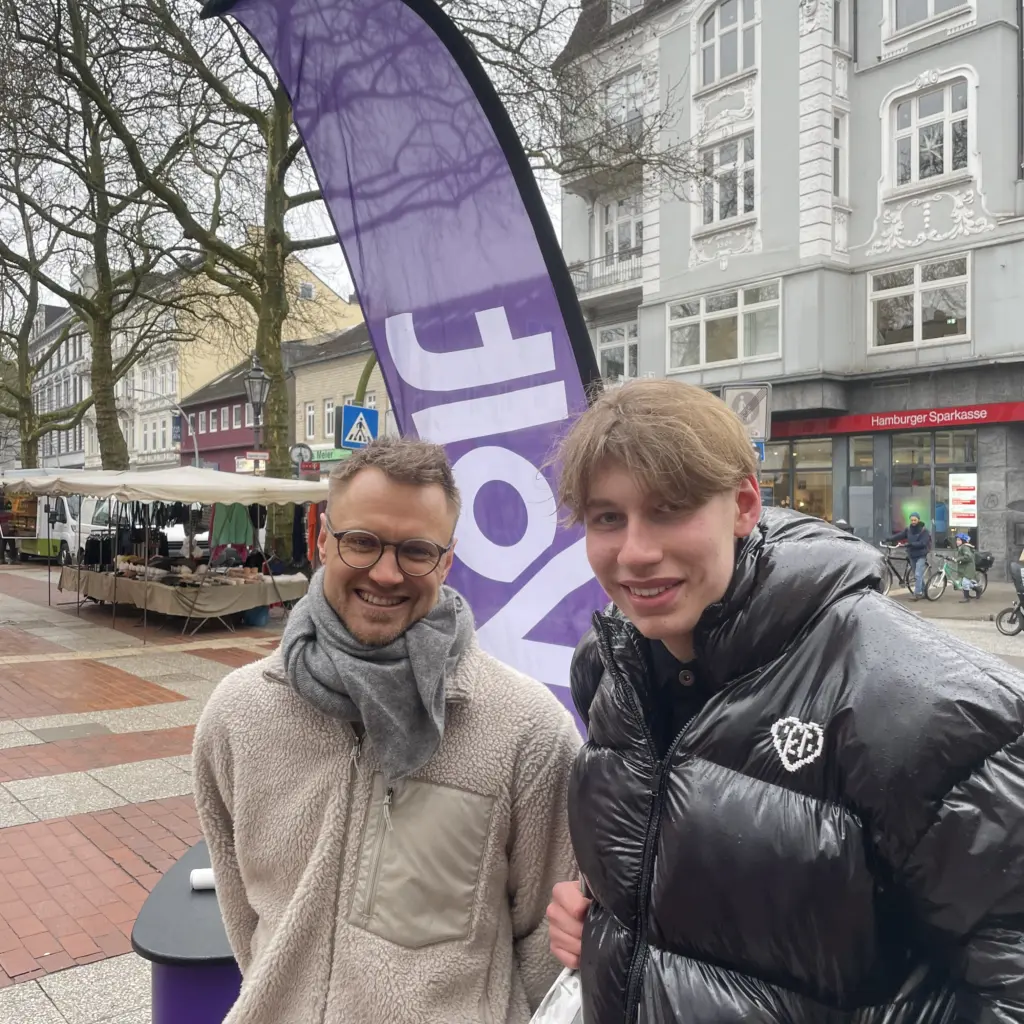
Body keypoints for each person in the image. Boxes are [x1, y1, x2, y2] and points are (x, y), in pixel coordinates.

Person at [545, 379, 1024, 1024]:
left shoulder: (922, 704)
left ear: (743, 506)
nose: (635, 552)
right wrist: (614, 929)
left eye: (670, 509)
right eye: (608, 518)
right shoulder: (611, 670)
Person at [194, 437, 580, 1024]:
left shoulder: (526, 730)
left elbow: (548, 931)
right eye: (362, 542)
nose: (386, 572)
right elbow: (247, 914)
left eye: (417, 551)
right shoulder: (238, 714)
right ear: (321, 539)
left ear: (447, 561)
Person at [887, 511, 931, 599]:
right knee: (917, 575)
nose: (913, 522)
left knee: (918, 574)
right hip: (912, 554)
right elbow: (900, 535)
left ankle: (917, 594)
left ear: (918, 520)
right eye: (912, 520)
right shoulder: (908, 529)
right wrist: (888, 539)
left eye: (915, 520)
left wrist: (911, 544)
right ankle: (923, 590)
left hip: (921, 555)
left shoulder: (924, 531)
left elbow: (923, 543)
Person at [951, 531, 979, 601]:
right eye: (957, 540)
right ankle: (977, 588)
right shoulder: (961, 547)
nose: (957, 541)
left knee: (965, 582)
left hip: (968, 567)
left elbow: (968, 557)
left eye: (959, 540)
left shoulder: (965, 547)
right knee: (966, 583)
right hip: (964, 567)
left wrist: (958, 559)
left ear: (963, 541)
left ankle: (966, 598)